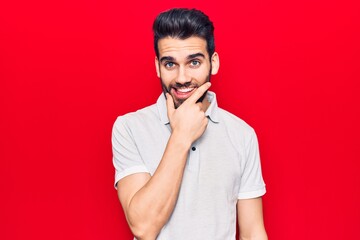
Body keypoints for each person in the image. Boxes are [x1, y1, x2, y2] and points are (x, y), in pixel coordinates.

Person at [112, 8, 267, 240]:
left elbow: (253, 232)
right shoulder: (129, 128)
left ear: (213, 63)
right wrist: (181, 136)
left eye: (194, 62)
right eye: (170, 64)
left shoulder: (242, 135)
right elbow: (143, 227)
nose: (182, 78)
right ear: (157, 67)